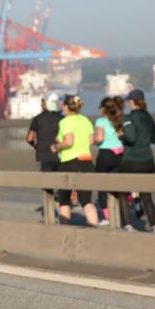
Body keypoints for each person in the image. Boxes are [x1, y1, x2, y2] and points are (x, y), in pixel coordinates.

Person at [50, 95, 99, 226]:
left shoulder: (65, 121)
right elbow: (91, 141)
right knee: (86, 200)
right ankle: (94, 229)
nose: (62, 107)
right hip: (87, 161)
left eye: (63, 105)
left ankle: (64, 229)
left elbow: (69, 141)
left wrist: (56, 147)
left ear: (66, 106)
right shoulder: (85, 120)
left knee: (64, 200)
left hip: (70, 162)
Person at [119, 89, 155, 234]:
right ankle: (154, 226)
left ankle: (128, 225)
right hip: (148, 161)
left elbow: (130, 138)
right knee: (147, 196)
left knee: (123, 194)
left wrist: (121, 136)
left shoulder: (128, 118)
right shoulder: (148, 117)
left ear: (131, 102)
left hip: (131, 161)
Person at [93, 97, 126, 225]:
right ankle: (121, 211)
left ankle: (107, 217)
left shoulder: (100, 121)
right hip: (120, 154)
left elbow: (100, 138)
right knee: (117, 184)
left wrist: (93, 141)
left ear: (103, 109)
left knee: (101, 185)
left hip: (106, 154)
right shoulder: (119, 119)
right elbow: (121, 136)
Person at [27, 93, 63, 173]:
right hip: (59, 155)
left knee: (45, 182)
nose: (41, 104)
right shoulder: (62, 119)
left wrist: (36, 145)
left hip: (42, 156)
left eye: (42, 102)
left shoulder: (37, 119)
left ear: (46, 103)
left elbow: (29, 138)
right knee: (59, 182)